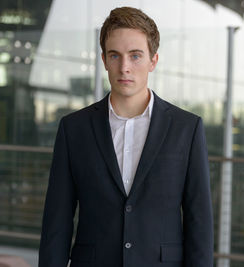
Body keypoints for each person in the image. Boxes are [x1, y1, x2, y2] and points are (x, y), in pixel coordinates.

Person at [39, 7, 213, 267]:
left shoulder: (186, 129)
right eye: (115, 56)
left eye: (135, 56)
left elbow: (199, 222)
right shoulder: (74, 129)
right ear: (104, 60)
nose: (124, 67)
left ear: (153, 60)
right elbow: (57, 221)